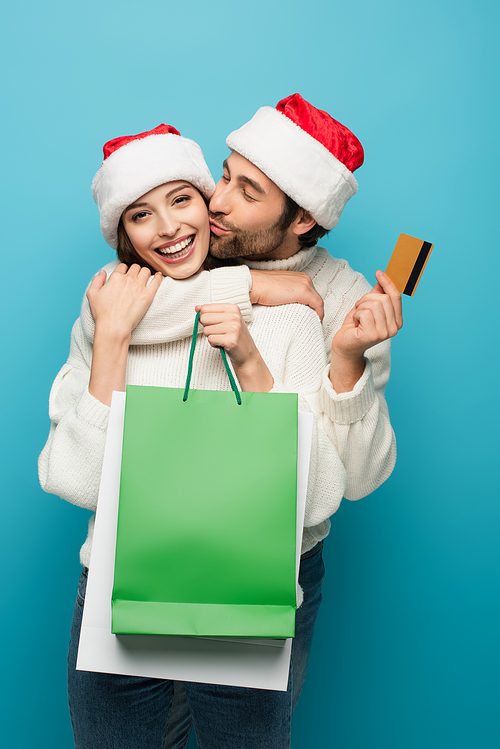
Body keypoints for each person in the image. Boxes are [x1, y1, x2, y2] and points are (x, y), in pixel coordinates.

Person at [39, 124, 349, 749]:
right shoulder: (105, 312)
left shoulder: (289, 316)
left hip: (242, 594)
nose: (168, 228)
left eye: (182, 199)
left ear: (208, 205)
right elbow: (71, 480)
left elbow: (316, 501)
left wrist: (252, 358)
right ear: (122, 235)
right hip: (117, 590)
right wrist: (112, 342)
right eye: (139, 215)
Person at [124, 95, 403, 748]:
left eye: (246, 191)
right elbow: (115, 302)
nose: (214, 201)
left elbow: (356, 478)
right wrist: (248, 287)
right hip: (156, 540)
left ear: (303, 217)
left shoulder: (345, 299)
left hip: (275, 561)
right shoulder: (187, 254)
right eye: (224, 174)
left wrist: (348, 362)